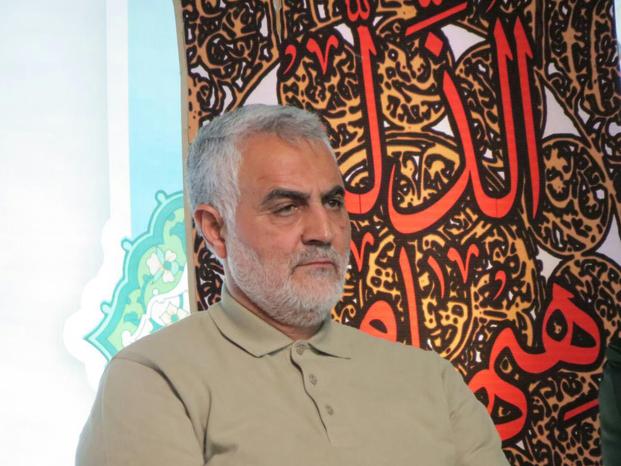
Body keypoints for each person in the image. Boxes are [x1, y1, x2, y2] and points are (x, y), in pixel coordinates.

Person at [76, 104, 509, 466]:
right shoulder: (154, 379)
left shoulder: (431, 379)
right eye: (286, 207)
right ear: (215, 229)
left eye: (333, 202)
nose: (324, 231)